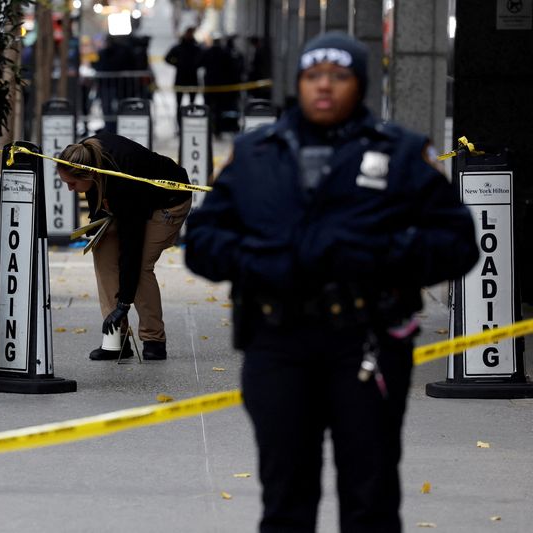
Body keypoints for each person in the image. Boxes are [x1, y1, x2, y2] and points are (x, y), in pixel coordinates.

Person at [184, 32, 479, 532]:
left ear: (360, 84)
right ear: (297, 84)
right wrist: (268, 261)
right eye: (313, 76)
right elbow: (203, 243)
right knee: (286, 495)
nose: (324, 87)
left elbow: (456, 243)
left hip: (368, 343)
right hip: (277, 342)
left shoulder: (402, 153)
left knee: (370, 494)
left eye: (339, 77)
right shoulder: (256, 154)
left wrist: (376, 256)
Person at [57, 133, 192, 361]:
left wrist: (123, 303)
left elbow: (132, 245)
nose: (70, 189)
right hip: (132, 202)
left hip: (168, 202)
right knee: (102, 250)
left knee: (140, 266)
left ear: (90, 173)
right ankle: (116, 339)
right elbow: (97, 199)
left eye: (72, 183)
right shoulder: (87, 155)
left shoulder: (124, 178)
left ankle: (154, 340)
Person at [165, 27, 202, 115]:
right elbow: (167, 58)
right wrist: (177, 64)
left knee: (192, 103)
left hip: (191, 78)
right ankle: (179, 120)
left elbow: (202, 59)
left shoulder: (196, 48)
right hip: (181, 78)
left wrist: (195, 65)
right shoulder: (179, 48)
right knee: (179, 103)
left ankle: (190, 117)